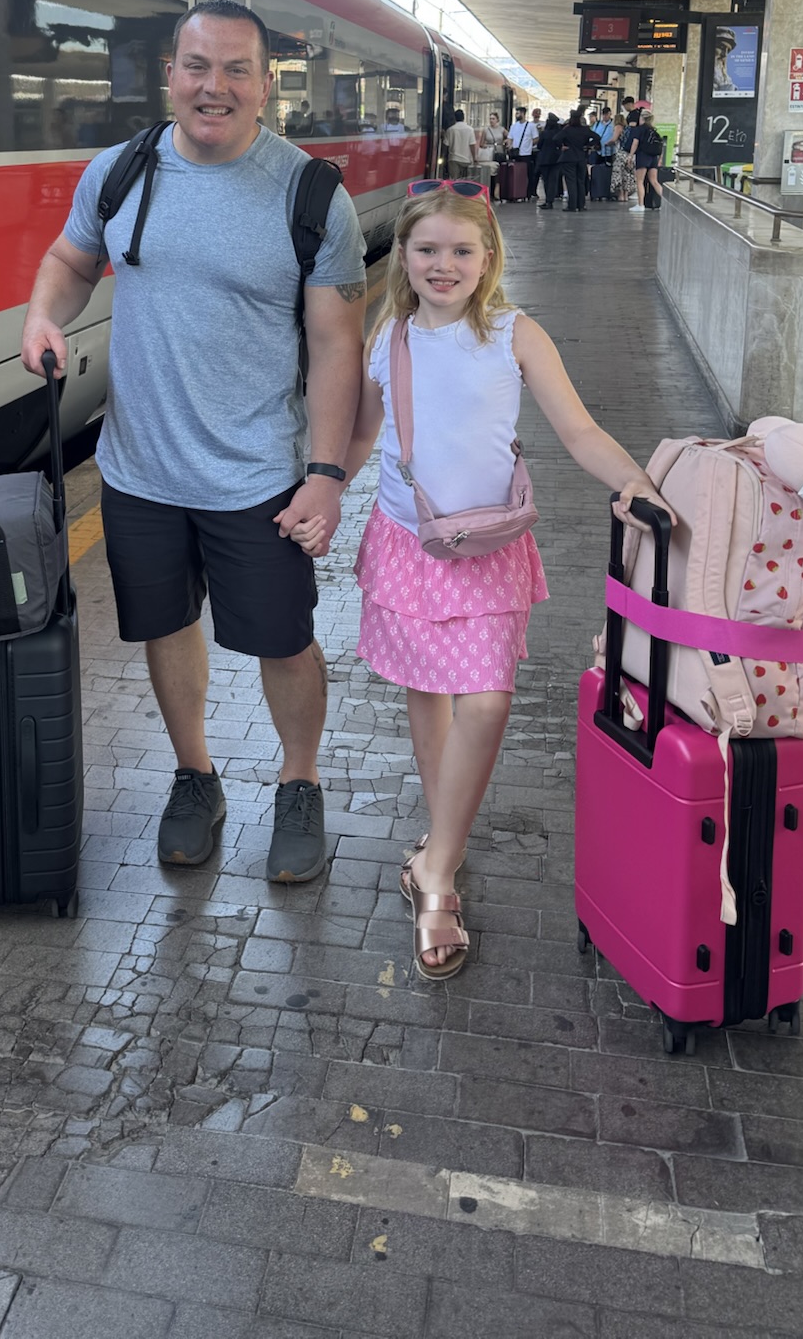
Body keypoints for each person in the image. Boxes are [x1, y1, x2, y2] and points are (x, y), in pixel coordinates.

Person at [287, 185, 673, 978]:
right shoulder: (386, 336)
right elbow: (363, 432)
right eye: (427, 250)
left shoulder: (514, 335)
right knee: (426, 698)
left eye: (462, 251)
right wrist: (320, 493)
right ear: (404, 256)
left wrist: (636, 481)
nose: (444, 264)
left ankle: (437, 865)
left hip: (489, 547)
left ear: (489, 260)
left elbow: (577, 428)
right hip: (408, 540)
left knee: (487, 703)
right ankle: (441, 858)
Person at [20, 0, 366, 883]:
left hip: (260, 475)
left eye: (236, 69)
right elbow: (69, 261)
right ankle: (195, 776)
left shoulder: (311, 194)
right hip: (139, 471)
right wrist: (42, 316)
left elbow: (336, 346)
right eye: (197, 67)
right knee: (165, 627)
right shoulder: (121, 170)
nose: (214, 87)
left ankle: (299, 783)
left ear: (265, 85)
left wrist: (325, 477)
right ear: (170, 74)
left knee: (283, 640)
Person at [556, 107, 594, 212]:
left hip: (569, 158)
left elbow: (556, 138)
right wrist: (587, 145)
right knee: (580, 181)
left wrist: (561, 146)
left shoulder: (567, 129)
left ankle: (572, 205)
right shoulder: (585, 129)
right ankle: (581, 205)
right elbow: (597, 137)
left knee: (571, 182)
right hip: (581, 157)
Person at [629, 113, 665, 211]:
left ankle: (640, 205)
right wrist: (660, 159)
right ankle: (667, 203)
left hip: (643, 156)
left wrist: (630, 156)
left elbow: (635, 143)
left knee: (639, 181)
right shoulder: (654, 130)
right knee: (654, 181)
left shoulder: (639, 129)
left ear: (642, 118)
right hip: (653, 158)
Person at [534, 113, 563, 209]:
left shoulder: (544, 133)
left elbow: (539, 146)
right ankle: (550, 200)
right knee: (553, 181)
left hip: (544, 160)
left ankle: (548, 201)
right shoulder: (559, 133)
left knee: (546, 181)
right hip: (556, 160)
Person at [445, 107, 476, 183]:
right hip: (466, 160)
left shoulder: (450, 130)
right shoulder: (470, 129)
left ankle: (454, 194)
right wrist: (474, 158)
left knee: (454, 181)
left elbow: (446, 144)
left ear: (455, 118)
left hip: (453, 159)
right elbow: (472, 145)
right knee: (465, 181)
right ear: (463, 118)